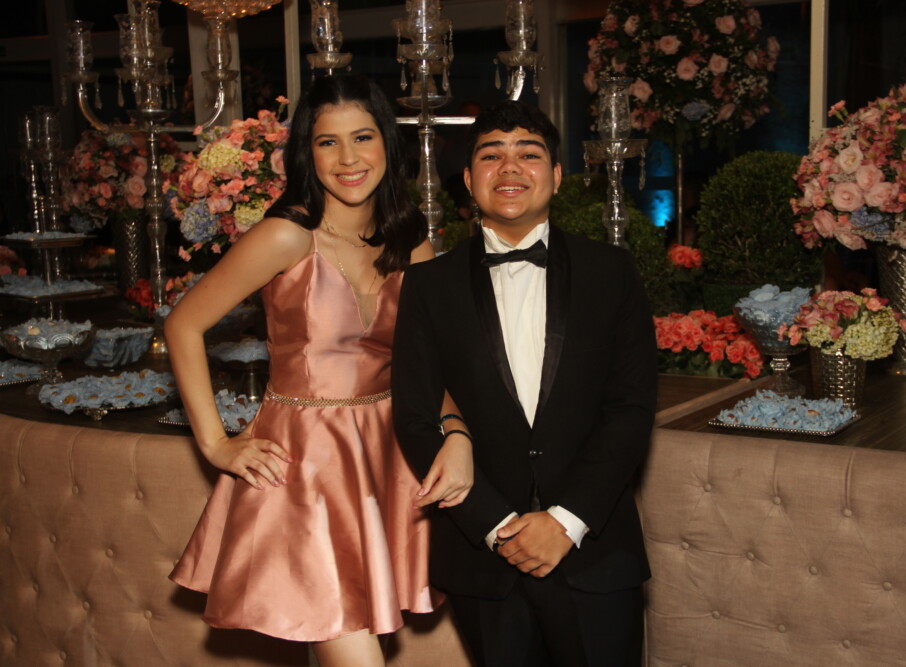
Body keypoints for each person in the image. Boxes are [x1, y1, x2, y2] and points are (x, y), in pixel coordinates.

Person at [166, 75, 473, 667]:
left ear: (387, 142)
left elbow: (427, 362)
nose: (348, 158)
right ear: (307, 153)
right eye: (328, 142)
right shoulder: (286, 236)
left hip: (387, 455)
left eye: (362, 137)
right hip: (305, 467)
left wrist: (456, 432)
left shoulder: (411, 242)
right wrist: (215, 443)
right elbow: (183, 325)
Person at [391, 100, 658, 666]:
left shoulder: (612, 272)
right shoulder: (427, 285)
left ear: (556, 176)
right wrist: (497, 527)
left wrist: (565, 522)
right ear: (469, 181)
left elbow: (631, 409)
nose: (509, 167)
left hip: (593, 550)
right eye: (491, 155)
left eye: (528, 154)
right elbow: (415, 415)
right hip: (483, 559)